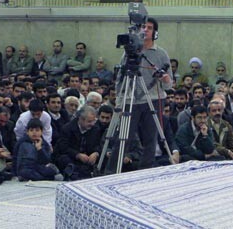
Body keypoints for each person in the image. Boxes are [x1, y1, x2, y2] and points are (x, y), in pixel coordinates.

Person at [112, 17, 172, 170]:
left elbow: (169, 85)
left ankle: (146, 170)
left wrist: (165, 79)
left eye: (149, 28)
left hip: (153, 99)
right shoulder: (129, 53)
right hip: (131, 100)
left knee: (150, 138)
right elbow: (120, 77)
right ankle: (112, 170)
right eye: (143, 27)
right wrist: (119, 100)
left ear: (155, 33)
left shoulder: (161, 54)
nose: (145, 30)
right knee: (124, 137)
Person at [54, 105, 102, 181]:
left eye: (94, 121)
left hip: (87, 159)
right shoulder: (67, 129)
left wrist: (96, 153)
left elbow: (98, 145)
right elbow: (63, 148)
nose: (92, 124)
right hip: (71, 158)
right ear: (81, 119)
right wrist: (77, 155)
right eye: (89, 121)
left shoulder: (95, 129)